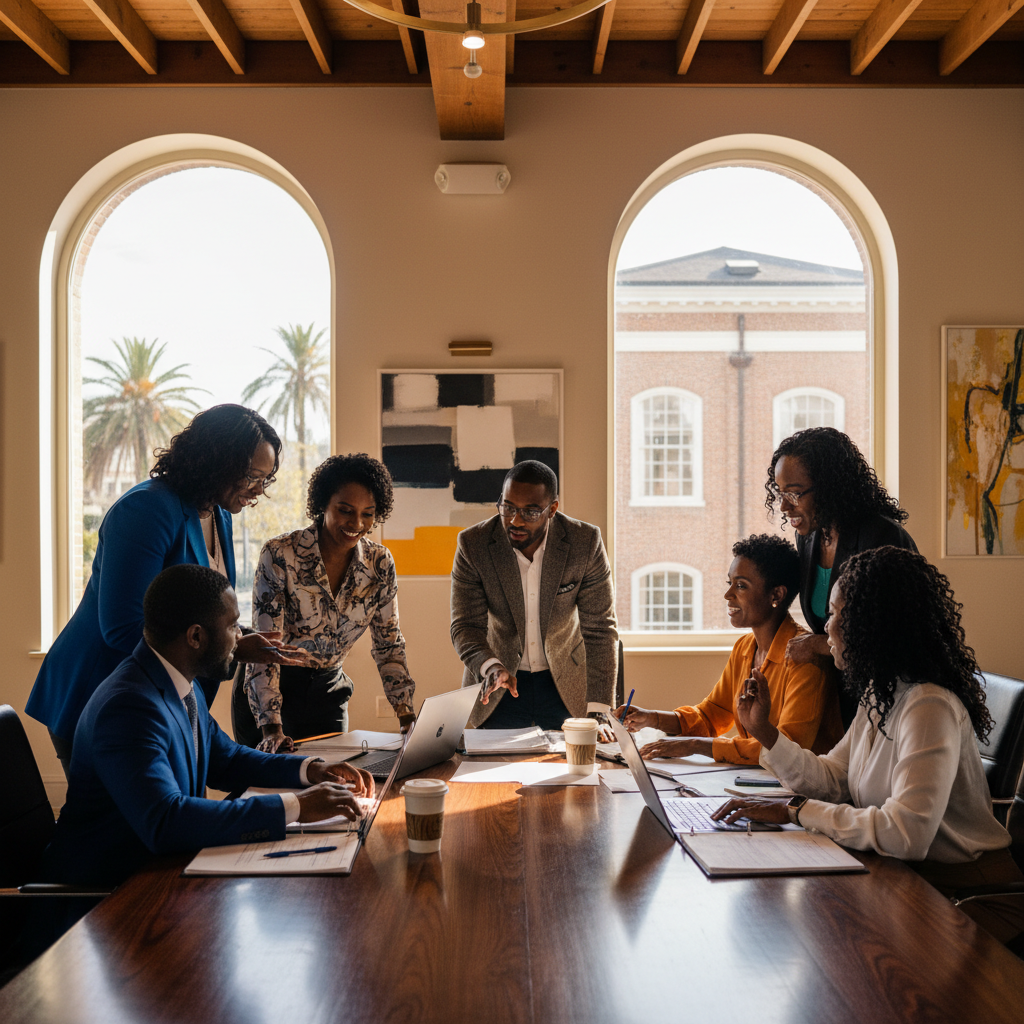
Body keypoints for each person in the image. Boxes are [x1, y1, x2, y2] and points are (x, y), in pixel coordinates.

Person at [713, 546, 1024, 945]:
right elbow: (831, 780)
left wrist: (796, 811)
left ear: (872, 623)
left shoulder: (929, 706)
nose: (828, 628)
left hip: (970, 898)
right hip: (911, 883)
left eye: (838, 614)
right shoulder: (881, 693)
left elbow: (904, 834)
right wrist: (765, 733)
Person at [39, 564, 373, 898]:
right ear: (196, 636)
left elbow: (227, 760)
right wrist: (296, 806)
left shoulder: (180, 680)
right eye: (233, 626)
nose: (241, 637)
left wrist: (311, 770)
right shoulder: (128, 708)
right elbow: (167, 821)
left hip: (164, 878)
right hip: (106, 900)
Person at [26, 404, 306, 778]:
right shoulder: (146, 509)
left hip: (161, 700)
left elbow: (196, 610)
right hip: (101, 690)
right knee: (132, 828)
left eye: (266, 479)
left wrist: (240, 637)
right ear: (217, 460)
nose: (259, 490)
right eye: (252, 476)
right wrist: (235, 647)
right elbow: (124, 628)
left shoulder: (217, 513)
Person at [235, 453, 417, 753]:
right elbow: (266, 646)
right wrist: (272, 728)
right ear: (322, 505)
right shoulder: (280, 554)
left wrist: (407, 717)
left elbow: (389, 644)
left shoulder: (379, 564)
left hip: (329, 693)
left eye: (368, 514)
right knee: (270, 790)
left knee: (334, 786)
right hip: (272, 693)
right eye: (345, 510)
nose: (357, 523)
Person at [614, 534, 841, 765]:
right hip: (759, 779)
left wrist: (693, 745)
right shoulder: (744, 647)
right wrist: (651, 718)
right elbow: (710, 717)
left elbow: (788, 747)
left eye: (741, 585)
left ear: (776, 595)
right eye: (729, 583)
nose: (727, 595)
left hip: (802, 788)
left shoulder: (805, 659)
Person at [765, 427, 917, 725]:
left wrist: (815, 645)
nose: (783, 506)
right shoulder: (809, 538)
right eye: (779, 493)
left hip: (891, 703)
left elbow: (893, 641)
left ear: (831, 487)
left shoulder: (882, 538)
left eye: (794, 493)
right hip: (839, 702)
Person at [450, 460, 618, 730]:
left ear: (552, 509)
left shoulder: (584, 542)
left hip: (565, 686)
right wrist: (490, 667)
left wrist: (599, 710)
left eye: (530, 512)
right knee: (490, 771)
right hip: (499, 688)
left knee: (572, 770)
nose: (515, 520)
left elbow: (600, 629)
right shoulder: (474, 545)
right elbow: (465, 626)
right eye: (508, 508)